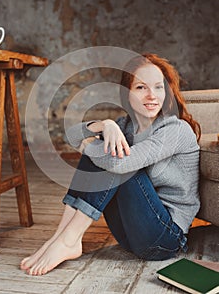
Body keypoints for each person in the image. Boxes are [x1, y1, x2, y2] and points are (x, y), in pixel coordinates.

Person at [20, 53, 201, 276]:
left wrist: (89, 145)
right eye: (141, 87)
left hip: (165, 239)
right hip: (129, 234)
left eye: (158, 87)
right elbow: (72, 134)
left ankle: (68, 240)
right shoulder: (124, 125)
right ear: (127, 93)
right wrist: (104, 125)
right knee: (106, 148)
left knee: (114, 158)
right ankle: (60, 237)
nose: (151, 96)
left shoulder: (175, 130)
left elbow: (119, 163)